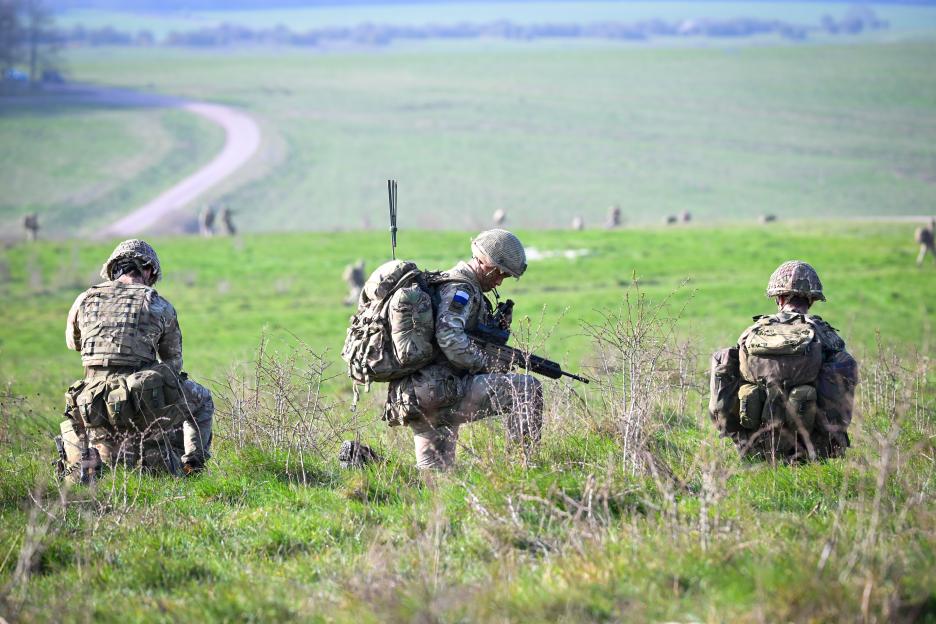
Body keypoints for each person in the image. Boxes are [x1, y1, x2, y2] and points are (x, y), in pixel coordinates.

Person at [55, 239, 214, 483]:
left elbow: (74, 344)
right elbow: (173, 362)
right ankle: (193, 466)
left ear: (114, 268)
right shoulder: (158, 304)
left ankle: (84, 465)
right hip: (139, 399)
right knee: (202, 399)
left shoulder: (84, 299)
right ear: (148, 270)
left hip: (91, 401)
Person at [384, 229, 543, 469]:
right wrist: (486, 364)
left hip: (419, 393)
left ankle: (363, 464)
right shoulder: (462, 290)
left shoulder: (447, 282)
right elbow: (449, 338)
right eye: (499, 273)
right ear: (485, 263)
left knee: (435, 477)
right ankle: (521, 472)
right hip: (441, 391)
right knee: (528, 390)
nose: (500, 280)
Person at [712, 261, 858, 461]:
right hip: (811, 449)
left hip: (756, 445)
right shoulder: (822, 334)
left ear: (779, 298)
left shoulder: (751, 333)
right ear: (812, 300)